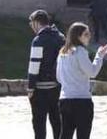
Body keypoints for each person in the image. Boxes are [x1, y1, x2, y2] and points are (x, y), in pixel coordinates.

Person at [57, 22, 107, 139]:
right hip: (82, 101)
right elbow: (92, 72)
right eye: (86, 34)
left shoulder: (62, 53)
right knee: (83, 135)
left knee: (65, 134)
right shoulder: (80, 51)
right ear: (78, 36)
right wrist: (99, 56)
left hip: (65, 99)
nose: (89, 36)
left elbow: (59, 78)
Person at [27, 10, 66, 139]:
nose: (31, 26)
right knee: (57, 122)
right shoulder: (60, 37)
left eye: (31, 23)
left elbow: (34, 66)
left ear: (37, 22)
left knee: (39, 124)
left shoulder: (38, 40)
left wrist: (31, 87)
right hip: (57, 87)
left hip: (40, 89)